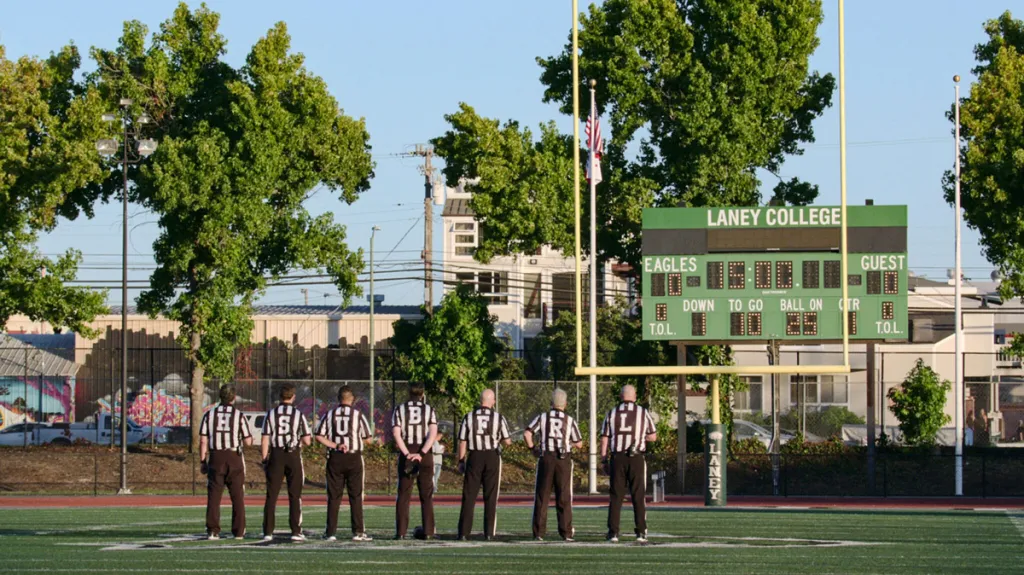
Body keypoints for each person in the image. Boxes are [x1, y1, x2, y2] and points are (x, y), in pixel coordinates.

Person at [315, 385, 373, 542]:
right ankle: (358, 532)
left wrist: (335, 445)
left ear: (338, 399)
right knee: (355, 496)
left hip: (335, 458)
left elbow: (319, 436)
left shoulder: (330, 414)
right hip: (353, 458)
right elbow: (368, 438)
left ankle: (331, 532)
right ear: (352, 399)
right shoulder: (357, 415)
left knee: (334, 497)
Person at [600, 384, 657, 543]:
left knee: (616, 496)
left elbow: (605, 438)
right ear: (635, 396)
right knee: (638, 495)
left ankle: (613, 533)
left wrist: (603, 459)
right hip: (636, 457)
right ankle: (641, 532)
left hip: (618, 458)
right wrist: (639, 437)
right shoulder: (642, 412)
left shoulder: (612, 413)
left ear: (620, 396)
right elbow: (653, 436)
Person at [524, 388, 583, 542]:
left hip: (546, 458)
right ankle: (566, 532)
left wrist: (533, 449)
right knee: (564, 496)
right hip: (563, 459)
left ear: (551, 403)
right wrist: (567, 442)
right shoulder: (569, 420)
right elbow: (579, 443)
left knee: (542, 496)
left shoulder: (543, 417)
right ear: (566, 404)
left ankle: (538, 532)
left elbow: (527, 433)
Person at [199, 384, 253, 540]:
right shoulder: (239, 415)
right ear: (233, 398)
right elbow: (248, 441)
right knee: (237, 497)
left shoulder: (209, 415)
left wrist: (203, 461)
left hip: (216, 457)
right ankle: (238, 531)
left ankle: (212, 530)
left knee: (214, 497)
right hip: (234, 457)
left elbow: (203, 441)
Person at [456, 389, 511, 541]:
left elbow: (462, 441)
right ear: (492, 401)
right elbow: (507, 441)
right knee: (491, 496)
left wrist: (461, 460)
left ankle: (463, 533)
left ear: (480, 401)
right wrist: (498, 439)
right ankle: (488, 533)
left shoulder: (469, 417)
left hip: (474, 456)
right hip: (491, 456)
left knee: (469, 496)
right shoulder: (498, 417)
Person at [260, 383, 312, 542]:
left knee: (271, 496)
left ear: (280, 397)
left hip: (276, 455)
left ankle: (268, 531)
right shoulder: (299, 414)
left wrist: (264, 459)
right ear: (293, 397)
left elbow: (265, 438)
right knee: (295, 495)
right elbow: (307, 440)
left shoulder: (271, 414)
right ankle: (296, 530)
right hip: (293, 455)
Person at [391, 382, 438, 540]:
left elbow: (396, 434)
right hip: (424, 453)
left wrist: (407, 454)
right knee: (426, 495)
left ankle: (401, 533)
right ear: (422, 394)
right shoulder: (429, 409)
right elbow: (432, 434)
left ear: (409, 394)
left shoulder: (400, 409)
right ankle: (429, 531)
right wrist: (422, 453)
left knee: (404, 495)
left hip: (407, 450)